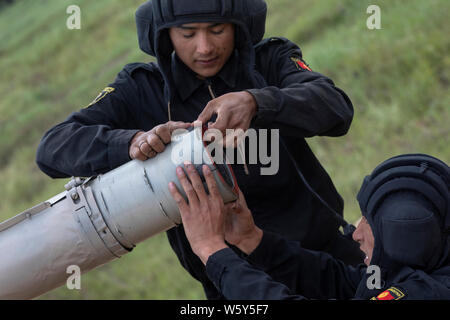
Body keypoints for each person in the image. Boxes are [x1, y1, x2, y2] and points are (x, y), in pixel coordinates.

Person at [35, 0, 363, 299]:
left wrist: (257, 101)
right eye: (188, 33)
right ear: (164, 35)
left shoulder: (270, 62)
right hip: (232, 282)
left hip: (325, 261)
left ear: (239, 25)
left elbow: (336, 108)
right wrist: (132, 142)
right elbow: (54, 146)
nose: (204, 47)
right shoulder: (142, 89)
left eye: (217, 30)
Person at [169, 154, 450, 300]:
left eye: (370, 224)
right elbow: (344, 284)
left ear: (406, 242)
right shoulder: (415, 265)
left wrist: (213, 252)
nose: (356, 233)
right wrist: (252, 240)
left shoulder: (427, 293)